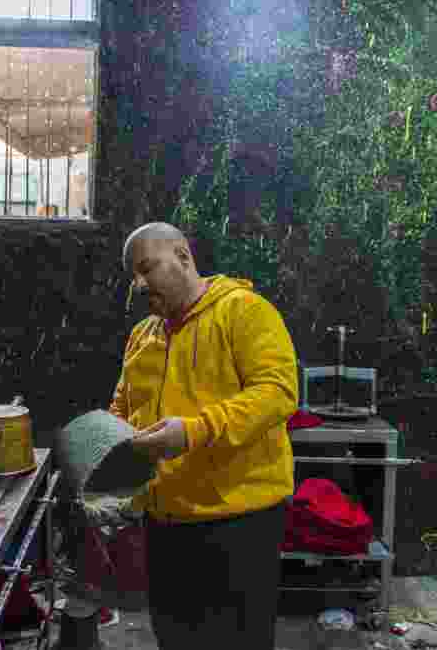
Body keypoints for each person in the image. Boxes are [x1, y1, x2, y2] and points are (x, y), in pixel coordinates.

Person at [107, 221, 299, 650]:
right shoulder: (143, 335)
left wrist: (192, 433)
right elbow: (122, 407)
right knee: (176, 638)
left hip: (238, 521)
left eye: (145, 268)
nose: (138, 284)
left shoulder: (244, 311)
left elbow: (278, 393)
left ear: (183, 257)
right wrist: (110, 452)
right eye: (132, 277)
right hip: (165, 523)